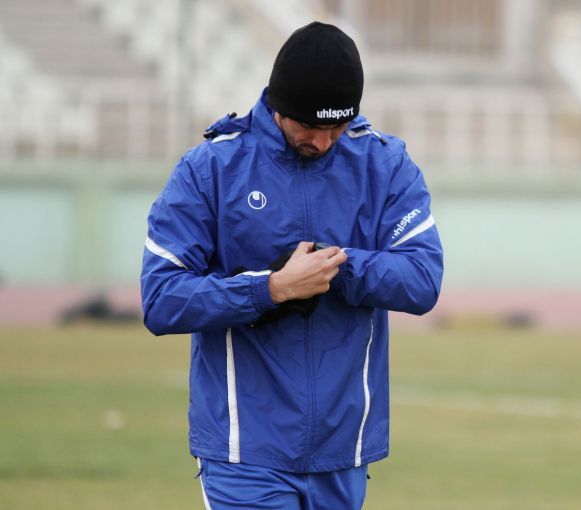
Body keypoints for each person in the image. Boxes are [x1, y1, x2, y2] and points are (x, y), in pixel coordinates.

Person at [140, 21, 443, 509]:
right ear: (278, 106)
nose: (323, 142)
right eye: (309, 127)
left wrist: (336, 266)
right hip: (244, 450)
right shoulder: (211, 168)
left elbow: (422, 279)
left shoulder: (384, 165)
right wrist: (271, 289)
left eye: (336, 128)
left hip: (344, 452)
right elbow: (161, 298)